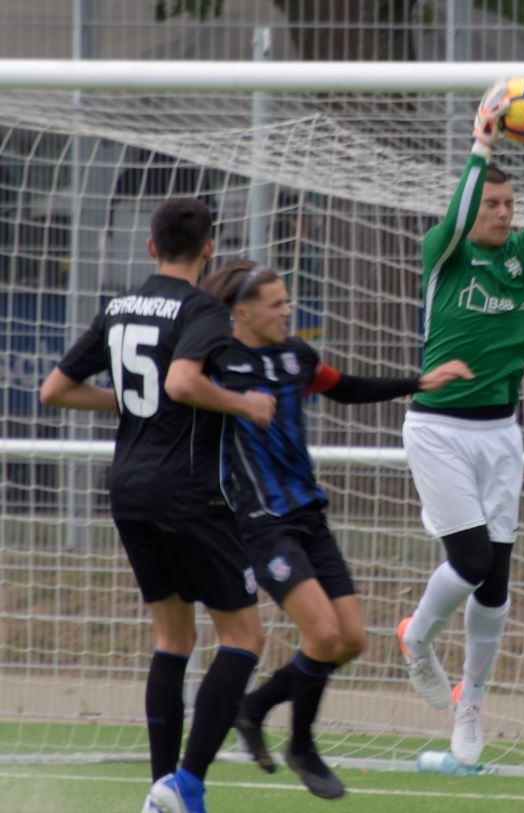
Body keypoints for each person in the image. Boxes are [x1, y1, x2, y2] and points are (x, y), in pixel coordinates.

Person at [200, 259, 472, 799]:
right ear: (242, 312)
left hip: (309, 516)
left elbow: (343, 386)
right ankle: (301, 746)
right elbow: (179, 389)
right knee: (322, 635)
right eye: (277, 304)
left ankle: (253, 707)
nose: (288, 310)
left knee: (350, 640)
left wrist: (418, 381)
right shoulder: (216, 362)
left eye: (287, 301)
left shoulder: (296, 357)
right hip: (262, 523)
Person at [39, 197, 276, 813]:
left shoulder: (119, 306)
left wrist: (127, 401)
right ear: (208, 249)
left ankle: (160, 791)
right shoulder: (201, 309)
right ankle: (186, 784)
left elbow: (54, 390)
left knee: (173, 637)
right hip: (188, 491)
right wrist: (244, 403)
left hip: (128, 489)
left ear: (151, 247)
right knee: (244, 636)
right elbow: (181, 383)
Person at [397, 77, 524, 767]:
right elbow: (455, 217)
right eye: (493, 204)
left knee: (497, 581)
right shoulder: (444, 252)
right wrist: (481, 144)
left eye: (510, 204)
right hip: (439, 430)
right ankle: (417, 637)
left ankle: (470, 705)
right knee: (471, 560)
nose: (505, 214)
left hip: (501, 435)